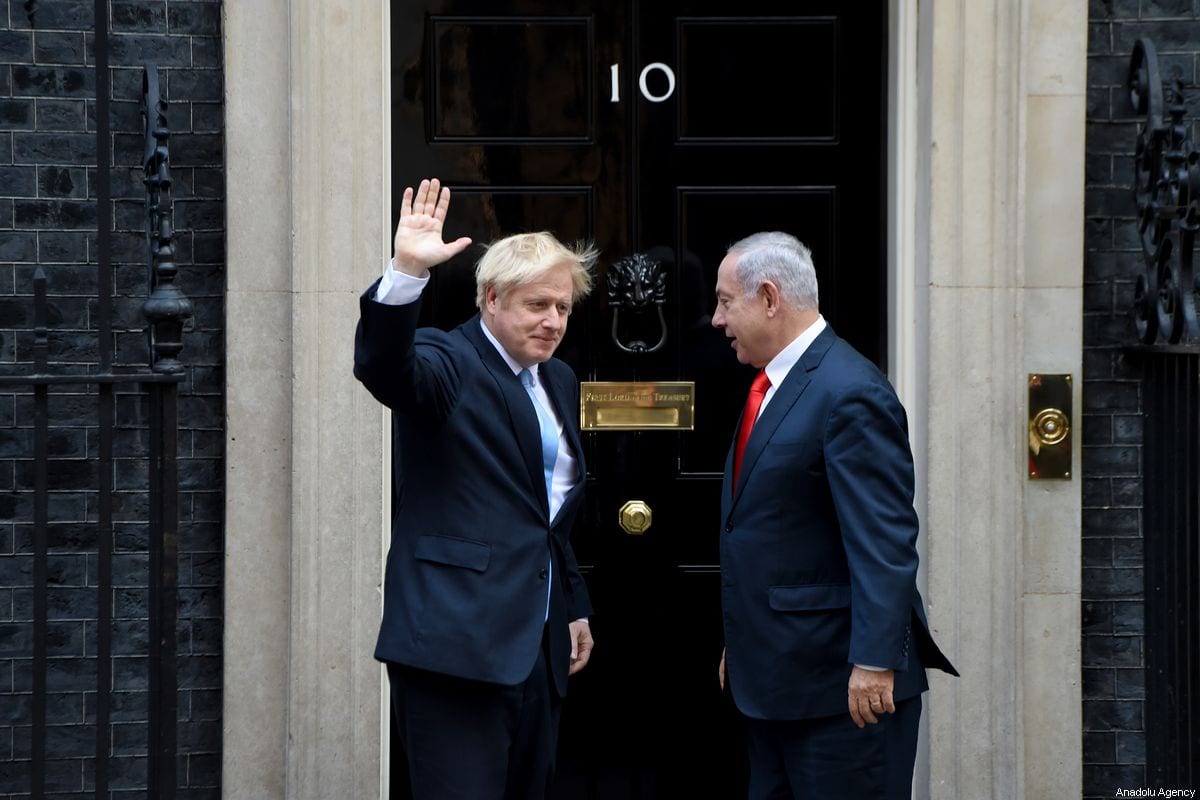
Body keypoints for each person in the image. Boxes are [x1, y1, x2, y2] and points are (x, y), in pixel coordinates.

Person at [353, 178, 596, 800]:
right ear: (491, 298)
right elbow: (386, 366)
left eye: (563, 308)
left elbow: (545, 511)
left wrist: (571, 603)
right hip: (454, 648)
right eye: (538, 305)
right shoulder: (448, 361)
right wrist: (406, 269)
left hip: (537, 649)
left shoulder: (559, 380)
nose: (553, 322)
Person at [711, 232, 958, 800]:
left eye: (726, 301)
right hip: (777, 678)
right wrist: (745, 639)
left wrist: (874, 662)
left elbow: (884, 541)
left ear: (769, 298)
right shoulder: (776, 383)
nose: (717, 319)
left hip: (842, 694)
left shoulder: (849, 392)